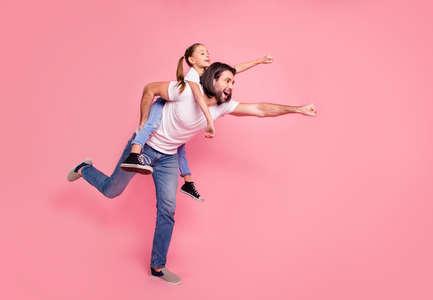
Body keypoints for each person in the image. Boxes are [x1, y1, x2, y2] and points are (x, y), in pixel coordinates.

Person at [67, 62, 317, 285]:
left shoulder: (222, 107)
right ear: (212, 79)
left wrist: (296, 109)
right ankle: (85, 168)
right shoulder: (185, 91)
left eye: (233, 82)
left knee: (167, 209)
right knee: (112, 191)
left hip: (168, 158)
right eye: (227, 80)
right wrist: (143, 124)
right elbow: (149, 89)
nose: (231, 85)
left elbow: (261, 109)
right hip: (145, 147)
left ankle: (157, 266)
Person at [120, 43, 273, 201]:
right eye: (202, 53)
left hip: (180, 118)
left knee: (179, 145)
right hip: (163, 104)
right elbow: (199, 98)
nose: (207, 55)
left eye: (207, 52)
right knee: (150, 125)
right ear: (191, 60)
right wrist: (210, 122)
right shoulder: (192, 75)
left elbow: (234, 69)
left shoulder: (208, 74)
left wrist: (258, 61)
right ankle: (134, 153)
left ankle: (188, 182)